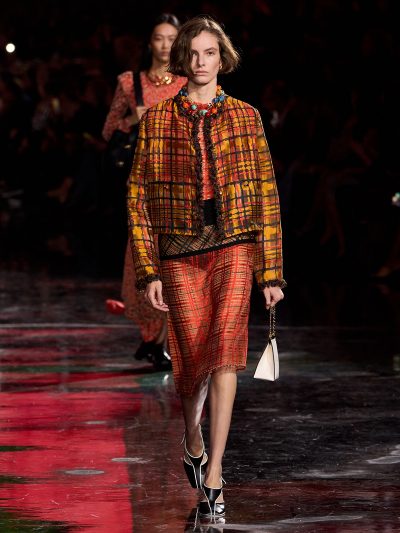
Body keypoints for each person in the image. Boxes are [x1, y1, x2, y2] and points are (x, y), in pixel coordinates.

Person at [127, 16, 285, 516]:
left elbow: (266, 194)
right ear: (183, 58)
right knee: (193, 361)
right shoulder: (157, 120)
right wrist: (148, 269)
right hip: (179, 251)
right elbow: (137, 197)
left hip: (235, 245)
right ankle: (192, 436)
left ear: (223, 57)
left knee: (225, 353)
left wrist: (270, 272)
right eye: (193, 53)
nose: (200, 62)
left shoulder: (246, 117)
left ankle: (214, 474)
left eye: (209, 52)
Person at [102, 13, 186, 369]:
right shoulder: (130, 83)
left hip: (179, 182)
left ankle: (161, 341)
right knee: (143, 259)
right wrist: (133, 120)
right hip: (141, 182)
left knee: (172, 260)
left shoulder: (187, 82)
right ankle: (151, 337)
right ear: (149, 43)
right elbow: (108, 130)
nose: (165, 45)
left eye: (171, 38)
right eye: (159, 38)